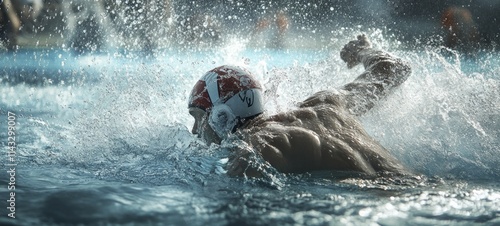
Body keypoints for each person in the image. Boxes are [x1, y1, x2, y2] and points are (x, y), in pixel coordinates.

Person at [188, 35, 412, 177]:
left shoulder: (257, 149)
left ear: (222, 116)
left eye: (199, 118)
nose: (195, 130)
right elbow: (393, 68)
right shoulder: (327, 104)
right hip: (423, 187)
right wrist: (361, 50)